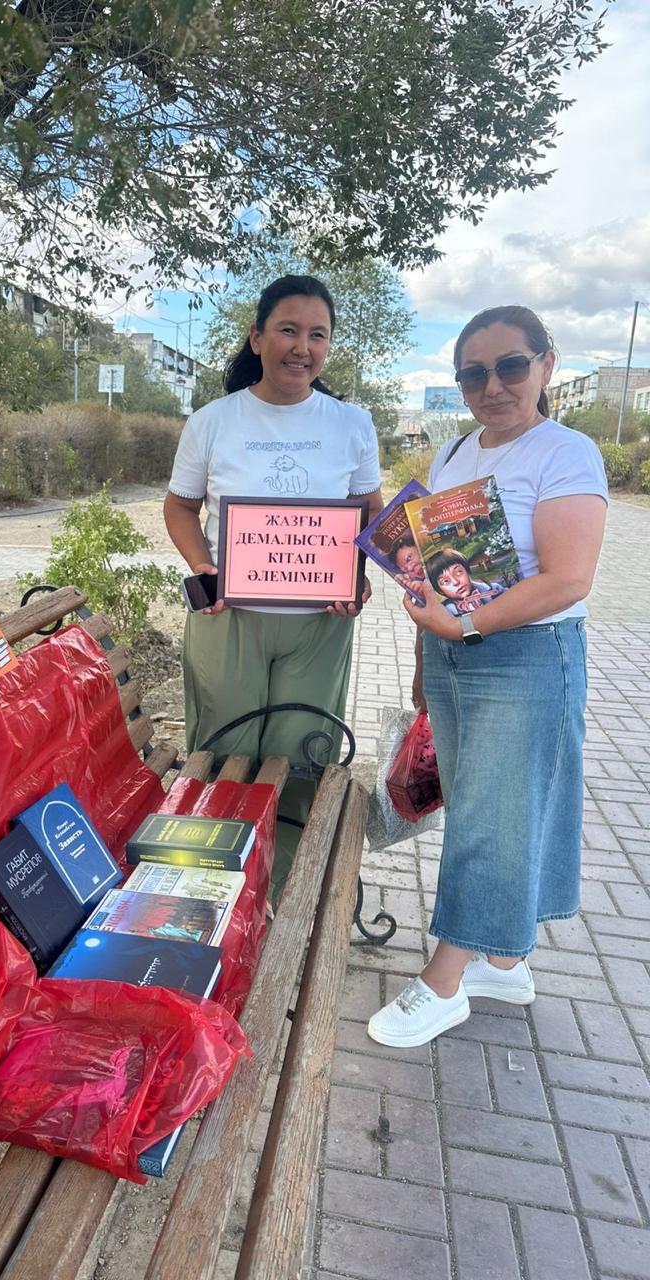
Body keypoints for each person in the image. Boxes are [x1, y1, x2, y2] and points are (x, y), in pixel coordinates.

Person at [368, 304, 608, 1048]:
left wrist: (465, 628)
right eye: (474, 374)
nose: (492, 386)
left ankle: (444, 983)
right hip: (454, 654)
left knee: (491, 819)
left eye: (510, 366)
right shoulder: (454, 453)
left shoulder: (565, 452)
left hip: (525, 657)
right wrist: (427, 651)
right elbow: (434, 567)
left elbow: (568, 579)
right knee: (484, 806)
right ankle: (503, 962)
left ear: (547, 364)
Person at [164, 275, 384, 902]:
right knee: (223, 754)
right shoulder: (212, 421)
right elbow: (180, 508)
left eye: (318, 335)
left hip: (319, 625)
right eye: (288, 330)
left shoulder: (351, 424)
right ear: (257, 337)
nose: (302, 347)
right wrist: (205, 567)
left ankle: (278, 894)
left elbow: (370, 514)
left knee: (300, 757)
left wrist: (357, 576)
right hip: (229, 619)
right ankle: (212, 894)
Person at [427, 549, 505, 615]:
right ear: (439, 590)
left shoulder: (494, 589)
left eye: (458, 572)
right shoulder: (446, 612)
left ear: (467, 571)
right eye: (446, 581)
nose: (455, 582)